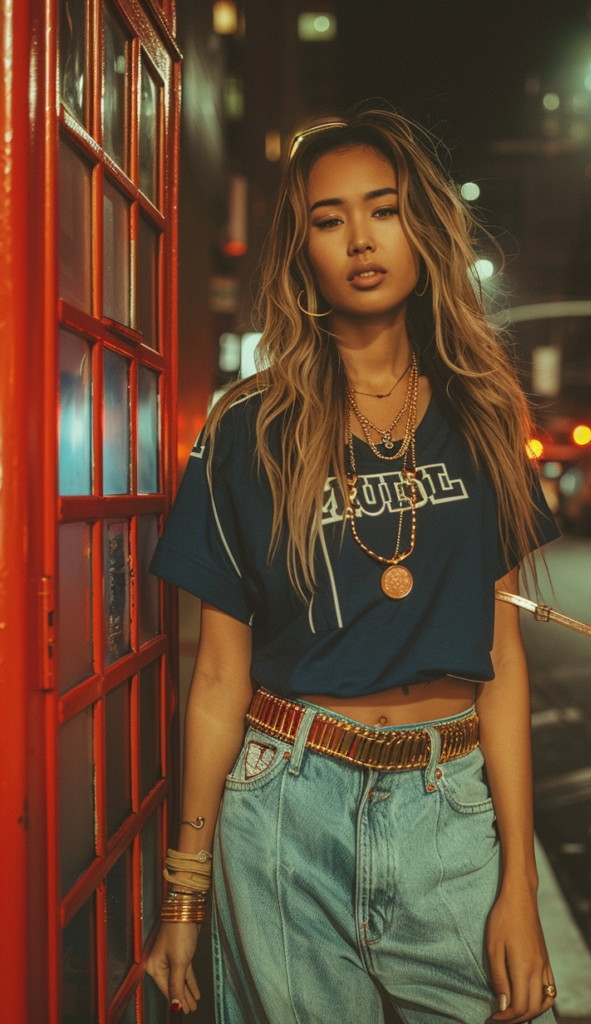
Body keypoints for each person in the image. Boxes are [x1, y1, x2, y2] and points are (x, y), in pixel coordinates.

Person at [146, 108, 561, 1024]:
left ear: (422, 231)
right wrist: (184, 891)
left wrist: (519, 885)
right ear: (302, 252)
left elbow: (501, 659)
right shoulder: (249, 428)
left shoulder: (482, 416)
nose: (360, 240)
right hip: (285, 809)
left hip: (447, 809)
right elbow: (218, 677)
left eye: (383, 210)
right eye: (328, 220)